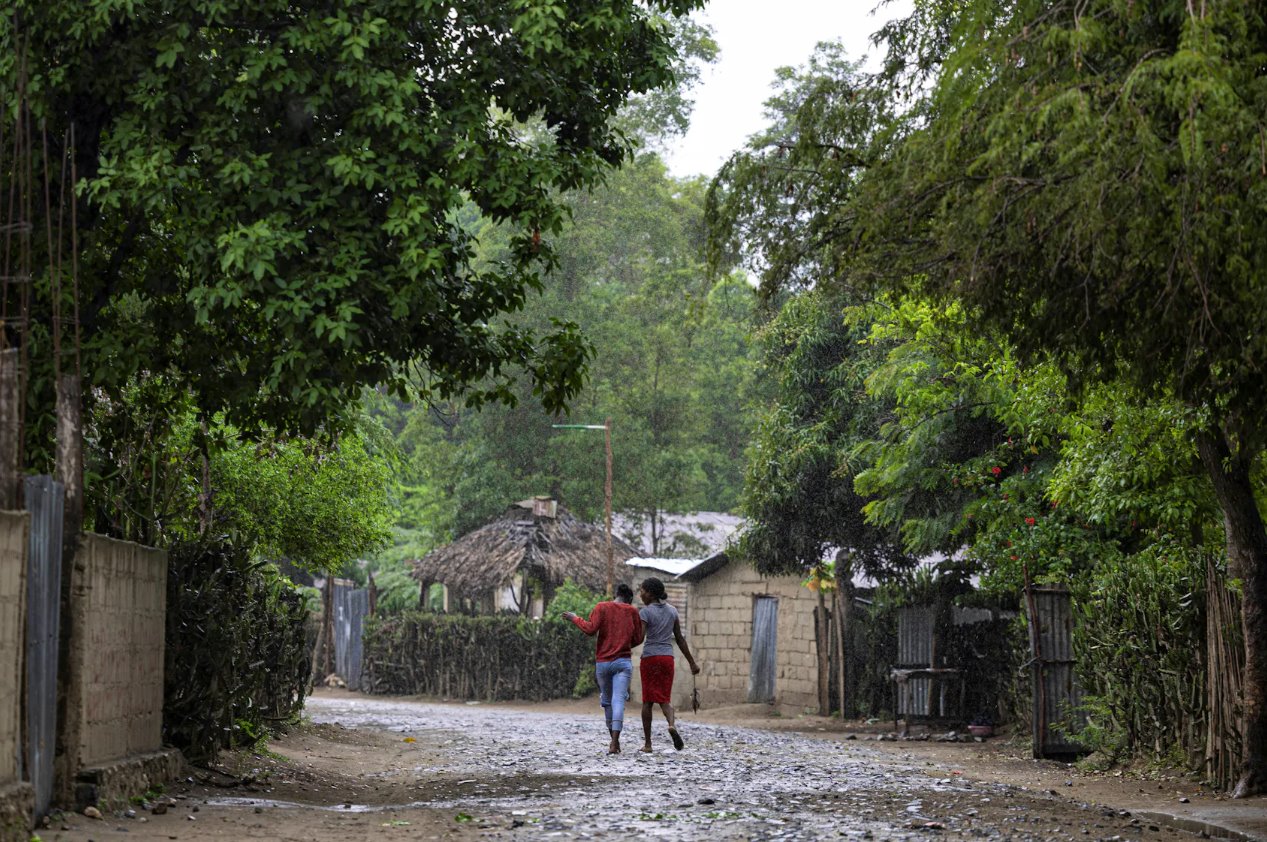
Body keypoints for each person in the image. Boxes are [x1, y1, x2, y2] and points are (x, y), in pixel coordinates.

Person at [563, 583, 644, 754]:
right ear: (629, 599)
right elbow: (638, 639)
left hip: (603, 663)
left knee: (607, 701)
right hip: (623, 662)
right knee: (619, 700)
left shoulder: (601, 607)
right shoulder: (632, 611)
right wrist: (624, 642)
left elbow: (590, 629)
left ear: (616, 594)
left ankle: (613, 741)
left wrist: (575, 618)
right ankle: (615, 742)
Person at [636, 576, 700, 752]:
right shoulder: (672, 611)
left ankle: (648, 744)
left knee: (648, 701)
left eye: (642, 591)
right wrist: (692, 663)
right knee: (664, 699)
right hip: (667, 659)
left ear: (650, 593)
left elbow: (640, 638)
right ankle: (671, 724)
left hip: (650, 658)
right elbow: (679, 639)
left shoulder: (645, 612)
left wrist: (622, 645)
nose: (640, 594)